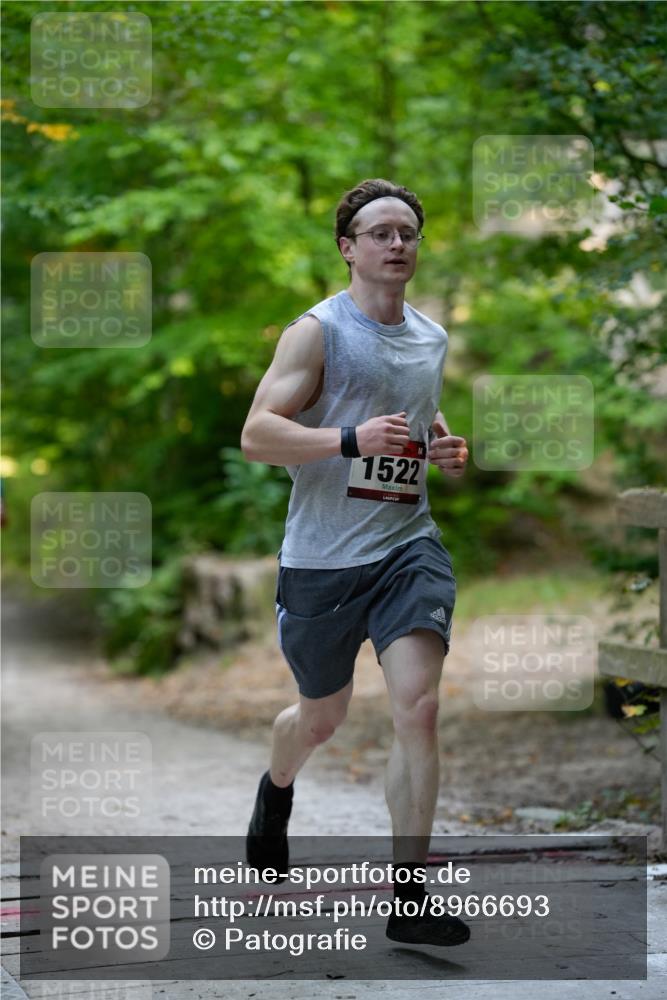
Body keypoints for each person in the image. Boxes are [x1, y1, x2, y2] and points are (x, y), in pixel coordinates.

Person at [241, 178, 470, 947]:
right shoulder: (317, 334)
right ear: (348, 247)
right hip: (321, 560)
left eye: (408, 231)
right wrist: (345, 441)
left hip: (406, 546)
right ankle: (275, 795)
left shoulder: (430, 337)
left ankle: (409, 897)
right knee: (321, 719)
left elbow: (411, 412)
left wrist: (442, 445)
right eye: (379, 233)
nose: (396, 243)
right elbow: (258, 436)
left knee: (420, 706)